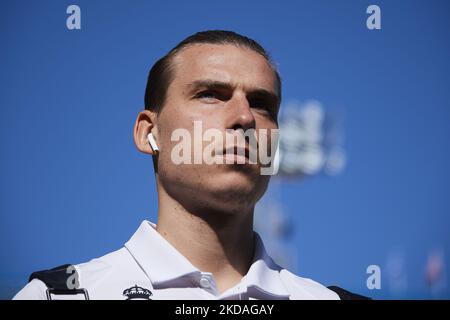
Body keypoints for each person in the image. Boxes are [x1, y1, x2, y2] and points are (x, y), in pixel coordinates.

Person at [13, 30, 367, 300]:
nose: (244, 117)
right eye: (210, 94)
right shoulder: (62, 295)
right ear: (149, 133)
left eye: (261, 104)